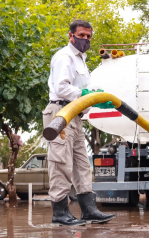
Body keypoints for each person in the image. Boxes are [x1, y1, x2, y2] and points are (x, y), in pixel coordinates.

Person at [43, 20, 115, 226]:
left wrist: (94, 100)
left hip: (75, 116)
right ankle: (60, 212)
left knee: (82, 164)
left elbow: (81, 92)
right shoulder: (64, 57)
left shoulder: (81, 61)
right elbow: (61, 88)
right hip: (61, 113)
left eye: (89, 37)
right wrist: (85, 95)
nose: (85, 40)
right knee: (61, 163)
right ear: (71, 35)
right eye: (81, 35)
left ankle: (89, 210)